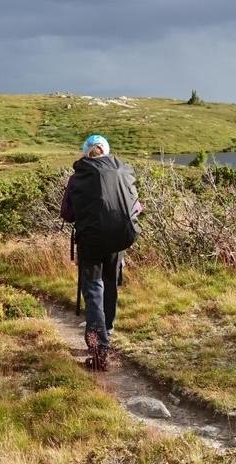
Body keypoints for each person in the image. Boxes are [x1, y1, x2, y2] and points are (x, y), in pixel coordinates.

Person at [60, 134, 141, 370]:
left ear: (86, 153)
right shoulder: (123, 171)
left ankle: (99, 349)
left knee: (94, 288)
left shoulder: (78, 177)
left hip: (91, 240)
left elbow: (67, 214)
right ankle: (107, 333)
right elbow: (136, 206)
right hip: (118, 239)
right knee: (110, 284)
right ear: (107, 151)